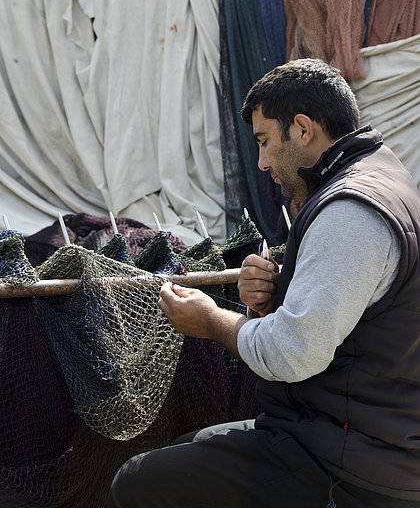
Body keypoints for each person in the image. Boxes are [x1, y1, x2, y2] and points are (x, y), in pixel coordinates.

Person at [109, 59, 420, 508]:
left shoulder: (351, 211)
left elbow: (293, 354)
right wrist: (273, 301)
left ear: (301, 129)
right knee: (188, 444)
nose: (261, 162)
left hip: (354, 464)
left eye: (265, 142)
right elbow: (354, 320)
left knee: (136, 482)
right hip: (341, 433)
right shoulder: (376, 175)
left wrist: (211, 320)